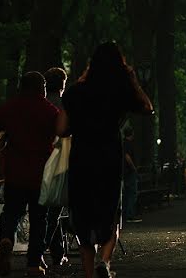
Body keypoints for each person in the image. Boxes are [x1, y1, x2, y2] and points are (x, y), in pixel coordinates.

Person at [62, 42, 153, 278]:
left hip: (81, 160)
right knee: (110, 213)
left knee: (83, 215)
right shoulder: (120, 92)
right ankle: (105, 260)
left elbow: (61, 129)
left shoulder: (76, 93)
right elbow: (147, 107)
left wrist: (80, 83)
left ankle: (90, 273)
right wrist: (132, 79)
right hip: (110, 160)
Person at [0, 71, 63, 277]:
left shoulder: (7, 110)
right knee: (39, 219)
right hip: (40, 174)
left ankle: (6, 239)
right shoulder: (50, 111)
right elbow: (59, 139)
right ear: (42, 88)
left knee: (11, 211)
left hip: (15, 172)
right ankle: (33, 263)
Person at [43, 66, 71, 274]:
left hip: (36, 160)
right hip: (59, 162)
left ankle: (57, 252)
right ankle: (40, 250)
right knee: (54, 211)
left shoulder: (41, 104)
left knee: (42, 210)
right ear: (62, 85)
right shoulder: (64, 106)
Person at [122, 129, 141, 223]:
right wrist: (133, 167)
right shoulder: (128, 144)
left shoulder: (123, 143)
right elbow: (127, 156)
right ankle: (130, 214)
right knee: (132, 193)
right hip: (129, 172)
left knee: (127, 193)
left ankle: (126, 214)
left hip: (125, 172)